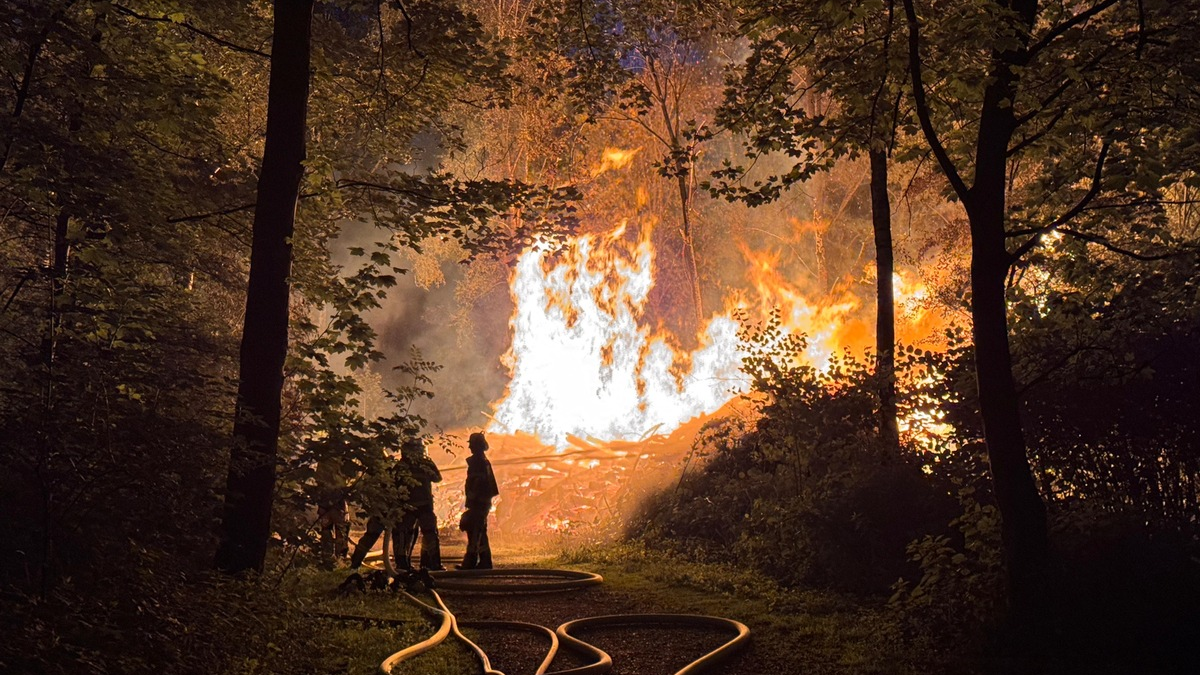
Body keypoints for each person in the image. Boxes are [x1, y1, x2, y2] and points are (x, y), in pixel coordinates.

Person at [395, 437, 444, 571]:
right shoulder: (426, 464)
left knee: (404, 534)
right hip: (424, 506)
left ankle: (402, 564)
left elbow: (393, 484)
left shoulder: (401, 465)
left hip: (407, 506)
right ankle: (435, 564)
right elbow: (438, 478)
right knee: (430, 534)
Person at [457, 432, 499, 570]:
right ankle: (485, 561)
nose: (470, 448)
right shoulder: (482, 460)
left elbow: (478, 482)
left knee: (474, 531)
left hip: (479, 502)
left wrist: (472, 497)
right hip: (482, 501)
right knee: (480, 530)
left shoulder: (477, 461)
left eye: (472, 445)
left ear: (476, 446)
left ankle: (470, 562)